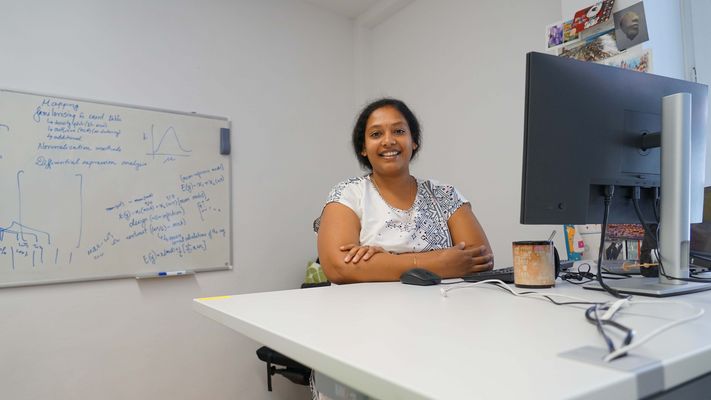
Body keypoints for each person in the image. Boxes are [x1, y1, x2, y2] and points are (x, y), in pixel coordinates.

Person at [317, 98, 493, 284]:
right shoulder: (348, 194)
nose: (388, 141)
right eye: (376, 134)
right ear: (363, 148)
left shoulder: (445, 194)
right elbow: (338, 267)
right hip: (370, 311)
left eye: (399, 131)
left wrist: (385, 261)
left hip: (442, 308)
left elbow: (481, 259)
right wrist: (440, 262)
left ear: (414, 141)